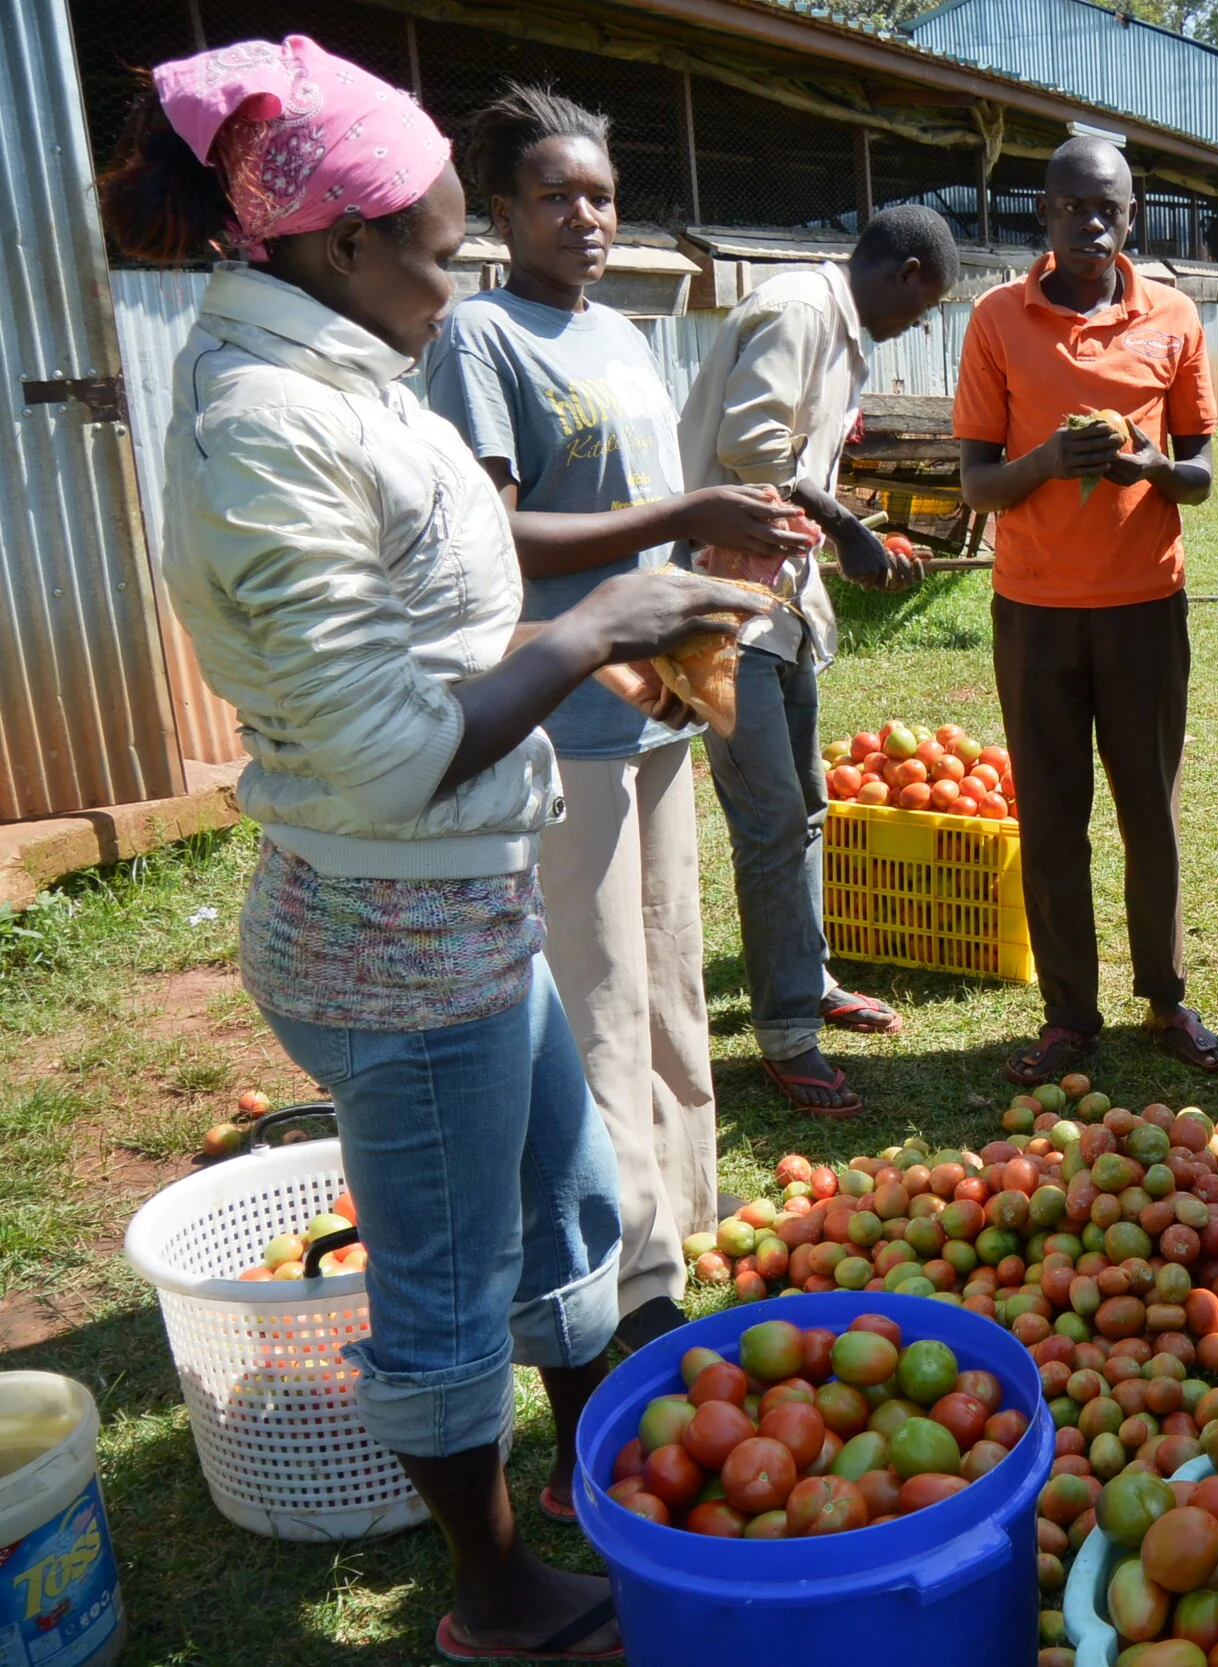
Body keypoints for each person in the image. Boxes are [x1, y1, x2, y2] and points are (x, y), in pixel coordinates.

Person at [100, 36, 766, 1658]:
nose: (461, 266)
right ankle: (493, 1596)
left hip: (466, 907)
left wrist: (660, 535)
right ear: (337, 246)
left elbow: (473, 530)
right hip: (394, 934)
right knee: (447, 1284)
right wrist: (596, 626)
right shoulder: (262, 426)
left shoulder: (342, 375)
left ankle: (586, 1463)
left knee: (565, 1202)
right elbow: (395, 754)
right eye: (442, 237)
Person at [423, 87, 808, 1363]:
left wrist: (729, 533)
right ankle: (626, 1282)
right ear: (500, 214)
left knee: (669, 982)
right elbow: (497, 533)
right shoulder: (480, 340)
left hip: (658, 707)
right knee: (594, 997)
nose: (585, 217)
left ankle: (684, 1222)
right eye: (554, 197)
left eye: (599, 194)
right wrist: (675, 516)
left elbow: (650, 512)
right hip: (565, 710)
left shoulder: (623, 334)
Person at [956, 136, 1218, 1084]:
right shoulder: (998, 318)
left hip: (1144, 604)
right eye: (1072, 206)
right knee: (1052, 813)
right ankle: (1070, 1013)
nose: (1089, 222)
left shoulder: (1175, 317)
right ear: (1045, 213)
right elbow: (979, 482)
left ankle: (1166, 995)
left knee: (1149, 810)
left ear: (1131, 214)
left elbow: (1198, 471)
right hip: (1034, 607)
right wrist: (1047, 465)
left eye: (1106, 207)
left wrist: (1149, 467)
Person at [674, 206, 959, 1114]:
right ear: (910, 272)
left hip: (782, 606)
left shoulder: (836, 333)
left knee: (804, 807)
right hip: (723, 611)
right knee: (768, 820)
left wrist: (836, 462)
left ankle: (810, 981)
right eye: (925, 307)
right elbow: (750, 450)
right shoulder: (802, 309)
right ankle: (788, 1036)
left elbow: (792, 444)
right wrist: (849, 528)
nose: (917, 325)